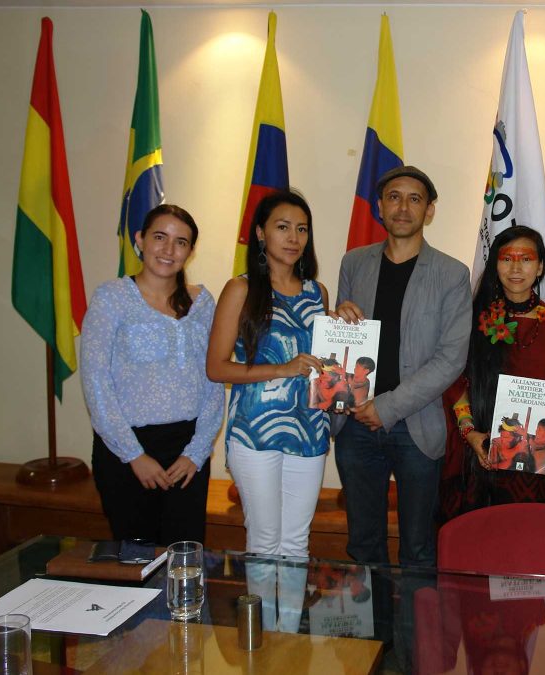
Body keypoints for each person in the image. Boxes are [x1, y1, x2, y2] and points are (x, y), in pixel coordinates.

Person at [331, 165, 472, 569]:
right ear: (379, 207)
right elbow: (345, 341)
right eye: (394, 197)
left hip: (418, 428)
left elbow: (451, 358)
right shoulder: (354, 263)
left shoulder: (452, 274)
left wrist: (388, 406)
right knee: (362, 545)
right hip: (355, 426)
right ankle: (372, 635)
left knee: (418, 550)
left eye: (415, 199)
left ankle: (416, 635)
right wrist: (337, 317)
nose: (403, 207)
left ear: (429, 211)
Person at [206, 189, 328, 632]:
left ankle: (288, 636)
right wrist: (282, 367)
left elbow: (325, 364)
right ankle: (261, 639)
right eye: (282, 227)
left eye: (301, 229)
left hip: (311, 434)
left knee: (296, 545)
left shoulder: (319, 292)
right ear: (260, 233)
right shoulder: (240, 289)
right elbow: (216, 367)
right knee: (263, 541)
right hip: (254, 434)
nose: (293, 238)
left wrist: (346, 321)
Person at [81, 204, 224, 546]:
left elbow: (213, 379)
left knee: (184, 559)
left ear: (190, 251)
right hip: (126, 452)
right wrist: (134, 455)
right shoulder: (111, 298)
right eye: (160, 237)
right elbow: (96, 381)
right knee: (135, 561)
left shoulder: (202, 303)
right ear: (140, 239)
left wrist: (197, 451)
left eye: (181, 242)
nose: (168, 249)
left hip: (187, 453)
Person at [440, 225, 545, 518]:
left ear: (540, 266)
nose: (516, 267)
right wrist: (470, 434)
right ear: (495, 264)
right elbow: (454, 380)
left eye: (526, 259)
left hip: (537, 465)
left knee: (533, 549)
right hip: (482, 458)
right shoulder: (472, 317)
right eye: (507, 258)